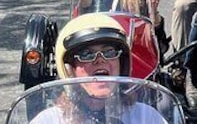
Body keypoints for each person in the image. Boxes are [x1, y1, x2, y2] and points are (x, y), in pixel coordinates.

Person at [30, 13, 166, 124]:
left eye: (109, 52)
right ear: (69, 69)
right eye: (86, 54)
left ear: (122, 63)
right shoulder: (50, 120)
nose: (100, 60)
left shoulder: (146, 117)